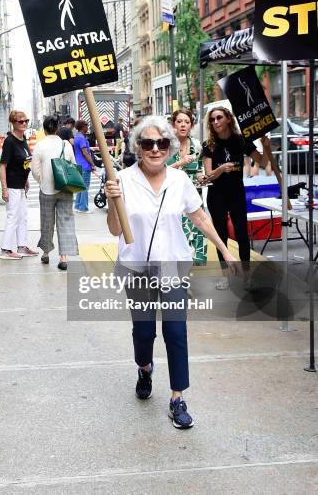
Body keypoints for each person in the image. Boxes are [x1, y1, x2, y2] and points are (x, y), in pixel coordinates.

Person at [105, 115, 237, 429]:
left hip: (173, 266)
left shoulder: (180, 182)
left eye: (161, 143)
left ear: (169, 146)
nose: (155, 149)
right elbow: (114, 229)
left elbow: (201, 219)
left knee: (176, 333)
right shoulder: (121, 179)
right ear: (138, 146)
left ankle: (178, 398)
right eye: (148, 143)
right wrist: (113, 201)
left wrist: (224, 249)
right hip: (136, 268)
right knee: (144, 332)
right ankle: (145, 367)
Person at [202, 106, 270, 288]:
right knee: (221, 235)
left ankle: (247, 276)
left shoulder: (241, 140)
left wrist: (265, 146)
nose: (215, 122)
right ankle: (225, 276)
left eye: (218, 118)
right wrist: (221, 169)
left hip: (236, 193)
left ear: (228, 119)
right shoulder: (209, 144)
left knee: (241, 233)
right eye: (212, 119)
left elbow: (262, 162)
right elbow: (208, 175)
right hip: (217, 195)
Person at [32, 116, 78, 270]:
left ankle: (45, 253)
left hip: (47, 190)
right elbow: (73, 165)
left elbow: (35, 171)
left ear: (44, 130)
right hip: (65, 188)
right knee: (65, 221)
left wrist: (43, 181)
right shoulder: (66, 145)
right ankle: (63, 258)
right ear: (57, 128)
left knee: (47, 221)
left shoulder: (40, 146)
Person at [168, 108, 207, 265]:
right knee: (177, 230)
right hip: (172, 195)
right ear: (173, 125)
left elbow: (198, 169)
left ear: (191, 125)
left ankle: (192, 262)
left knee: (197, 227)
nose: (183, 125)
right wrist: (180, 163)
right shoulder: (166, 145)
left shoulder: (197, 146)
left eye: (187, 122)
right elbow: (159, 171)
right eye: (179, 122)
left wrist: (202, 178)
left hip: (193, 194)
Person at [0, 111, 38, 260]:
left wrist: (26, 180)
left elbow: (24, 162)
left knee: (22, 216)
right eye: (20, 121)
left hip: (21, 185)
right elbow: (2, 166)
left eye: (25, 121)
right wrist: (4, 189)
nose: (24, 123)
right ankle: (5, 249)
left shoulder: (23, 140)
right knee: (13, 216)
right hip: (12, 185)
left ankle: (22, 246)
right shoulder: (10, 141)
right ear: (13, 123)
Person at [73, 120, 96, 213]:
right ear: (83, 127)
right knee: (85, 187)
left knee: (80, 186)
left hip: (78, 164)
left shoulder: (76, 137)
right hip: (85, 166)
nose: (88, 128)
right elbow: (85, 153)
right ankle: (83, 207)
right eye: (87, 126)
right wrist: (92, 164)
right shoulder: (82, 138)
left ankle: (78, 206)